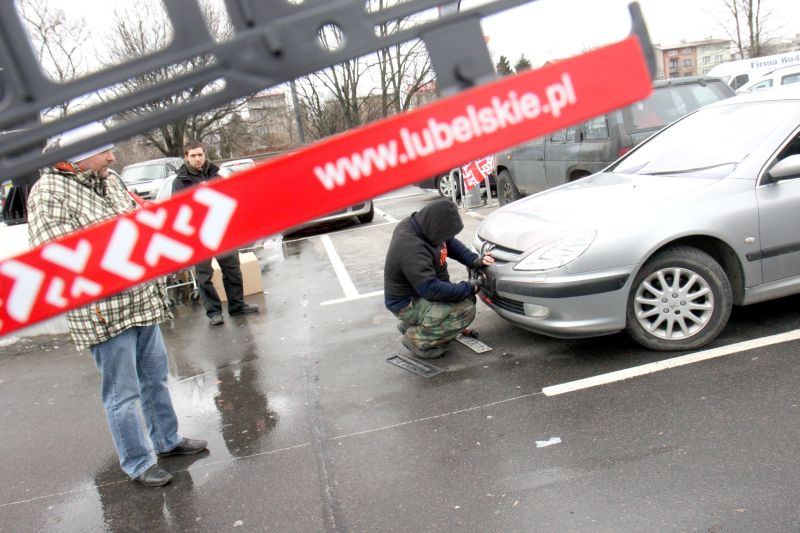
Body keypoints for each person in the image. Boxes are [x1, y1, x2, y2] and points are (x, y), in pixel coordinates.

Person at [27, 122, 207, 487]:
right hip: (103, 313)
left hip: (141, 300)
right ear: (79, 157)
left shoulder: (109, 180)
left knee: (155, 378)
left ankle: (166, 441)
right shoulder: (48, 193)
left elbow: (135, 224)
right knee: (122, 393)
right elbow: (58, 259)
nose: (113, 156)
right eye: (104, 150)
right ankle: (137, 462)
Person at [384, 199, 494, 359]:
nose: (446, 238)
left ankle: (414, 326)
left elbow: (450, 243)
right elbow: (431, 289)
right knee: (465, 310)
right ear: (436, 225)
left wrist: (474, 260)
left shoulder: (425, 226)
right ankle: (416, 339)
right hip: (407, 303)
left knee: (462, 298)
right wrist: (468, 287)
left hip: (420, 292)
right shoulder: (411, 247)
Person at [172, 140, 259, 325]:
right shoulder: (180, 182)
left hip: (222, 232)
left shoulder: (217, 174)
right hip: (200, 236)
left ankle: (237, 306)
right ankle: (214, 313)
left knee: (233, 271)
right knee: (204, 277)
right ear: (186, 157)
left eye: (200, 155)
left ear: (205, 154)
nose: (197, 159)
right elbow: (178, 210)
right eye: (193, 155)